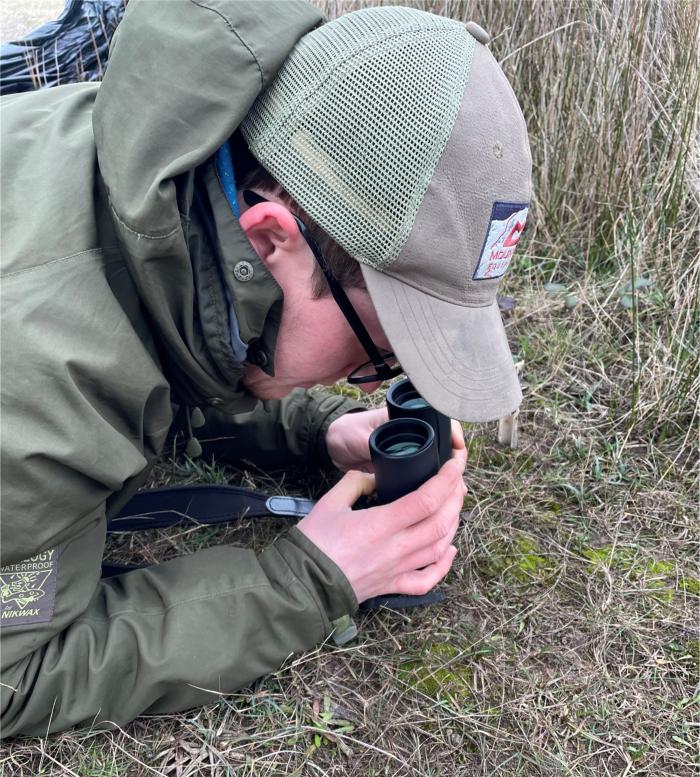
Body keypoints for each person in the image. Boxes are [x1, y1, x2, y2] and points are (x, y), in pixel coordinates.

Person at [0, 1, 531, 736]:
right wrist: (309, 580)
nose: (371, 380)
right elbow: (13, 677)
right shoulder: (31, 382)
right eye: (377, 349)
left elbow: (174, 338)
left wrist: (311, 432)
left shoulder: (154, 175)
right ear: (273, 237)